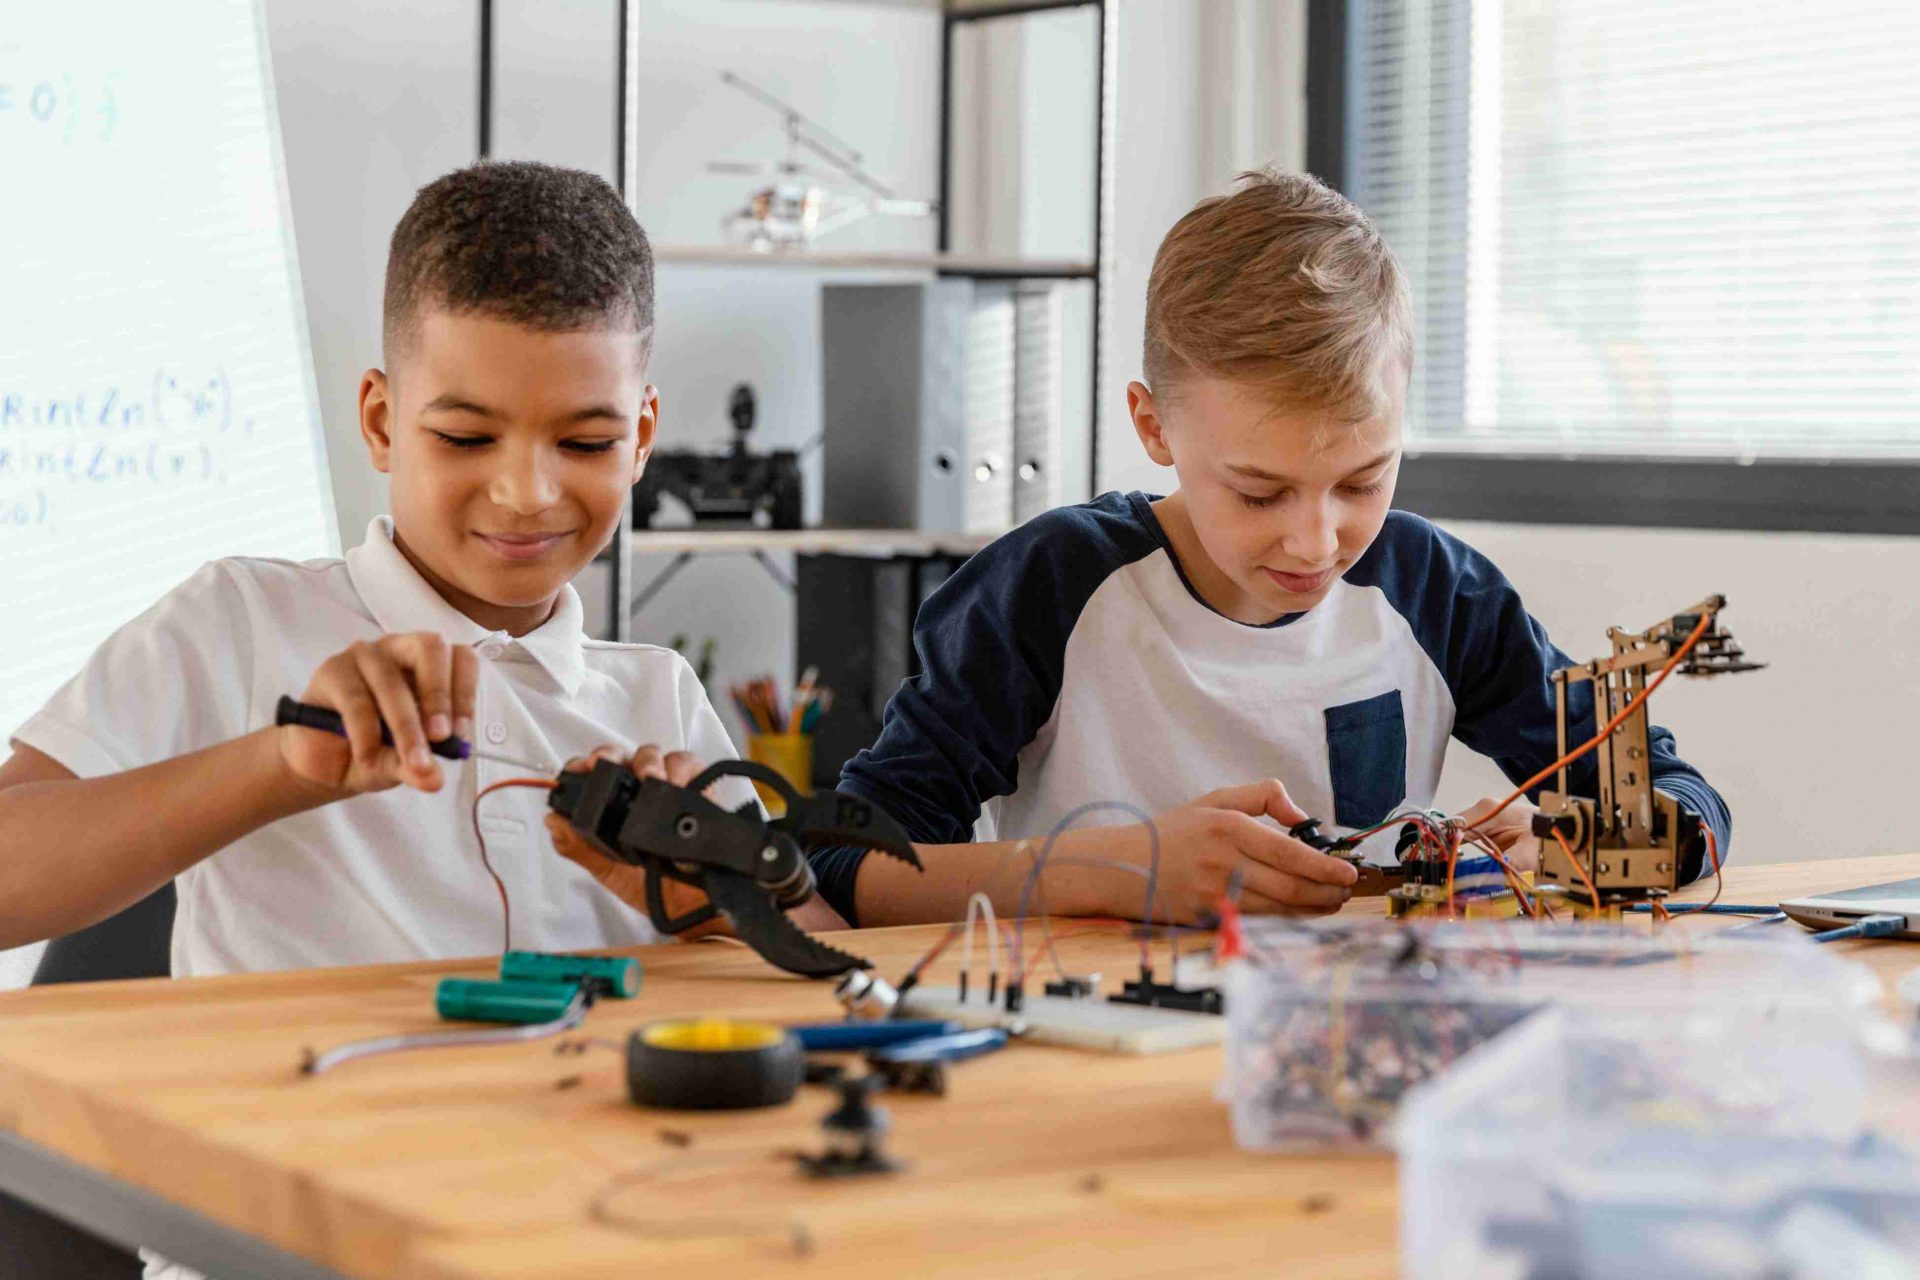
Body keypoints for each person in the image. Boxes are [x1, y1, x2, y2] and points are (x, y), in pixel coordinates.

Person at [795, 168, 1731, 928]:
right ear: (1154, 427)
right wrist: (1106, 872)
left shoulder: (1435, 592)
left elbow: (1684, 799)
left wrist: (1576, 840)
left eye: (1364, 481)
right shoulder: (1050, 588)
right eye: (1259, 490)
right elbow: (843, 864)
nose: (1318, 540)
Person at [0, 160, 835, 987]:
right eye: (467, 438)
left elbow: (836, 963)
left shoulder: (660, 698)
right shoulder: (243, 621)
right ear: (380, 420)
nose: (527, 494)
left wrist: (722, 899)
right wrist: (280, 765)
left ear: (643, 436)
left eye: (585, 443)